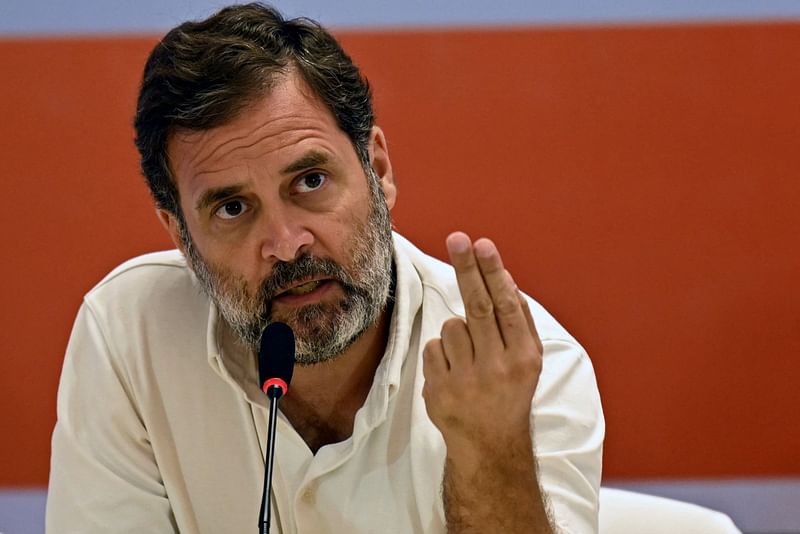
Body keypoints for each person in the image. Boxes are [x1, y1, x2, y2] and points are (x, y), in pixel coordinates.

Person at [46, 3, 603, 533]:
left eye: (310, 181)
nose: (286, 245)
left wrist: (491, 452)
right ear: (180, 235)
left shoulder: (528, 372)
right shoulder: (128, 334)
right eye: (233, 209)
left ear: (377, 169)